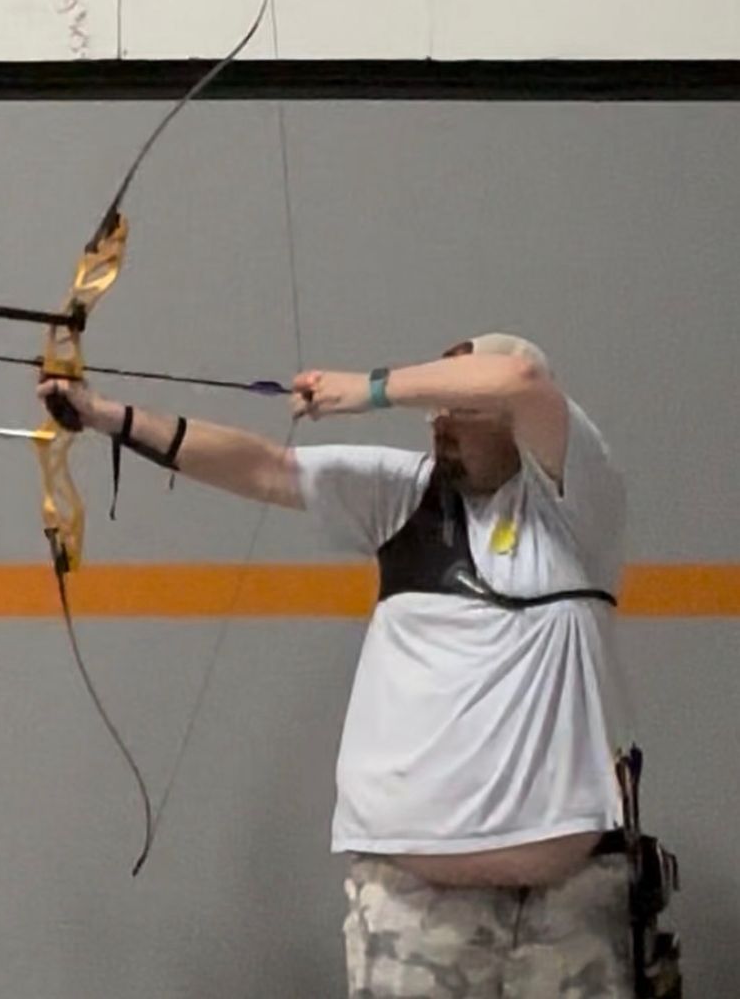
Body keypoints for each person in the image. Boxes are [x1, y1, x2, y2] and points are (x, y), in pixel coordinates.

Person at [39, 332, 632, 998]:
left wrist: (369, 389)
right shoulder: (401, 494)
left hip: (564, 898)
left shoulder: (575, 502)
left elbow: (519, 379)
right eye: (434, 409)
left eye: (459, 406)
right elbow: (264, 468)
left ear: (515, 426)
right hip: (413, 899)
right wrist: (107, 416)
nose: (438, 423)